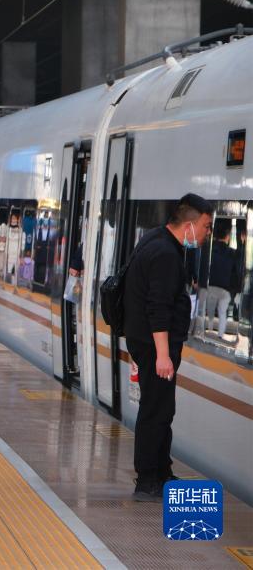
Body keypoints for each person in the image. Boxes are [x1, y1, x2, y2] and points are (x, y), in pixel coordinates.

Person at [123, 193, 213, 501]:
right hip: (154, 346)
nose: (207, 233)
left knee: (162, 408)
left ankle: (162, 471)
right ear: (189, 225)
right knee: (156, 410)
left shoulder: (156, 239)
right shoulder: (165, 254)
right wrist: (163, 355)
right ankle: (149, 479)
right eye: (206, 226)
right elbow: (158, 307)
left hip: (148, 342)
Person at [200, 223, 243, 339]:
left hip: (210, 286)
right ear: (227, 236)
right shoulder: (232, 253)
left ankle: (208, 329)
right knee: (222, 312)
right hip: (224, 289)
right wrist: (236, 289)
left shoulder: (209, 250)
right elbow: (236, 272)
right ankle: (220, 335)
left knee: (210, 309)